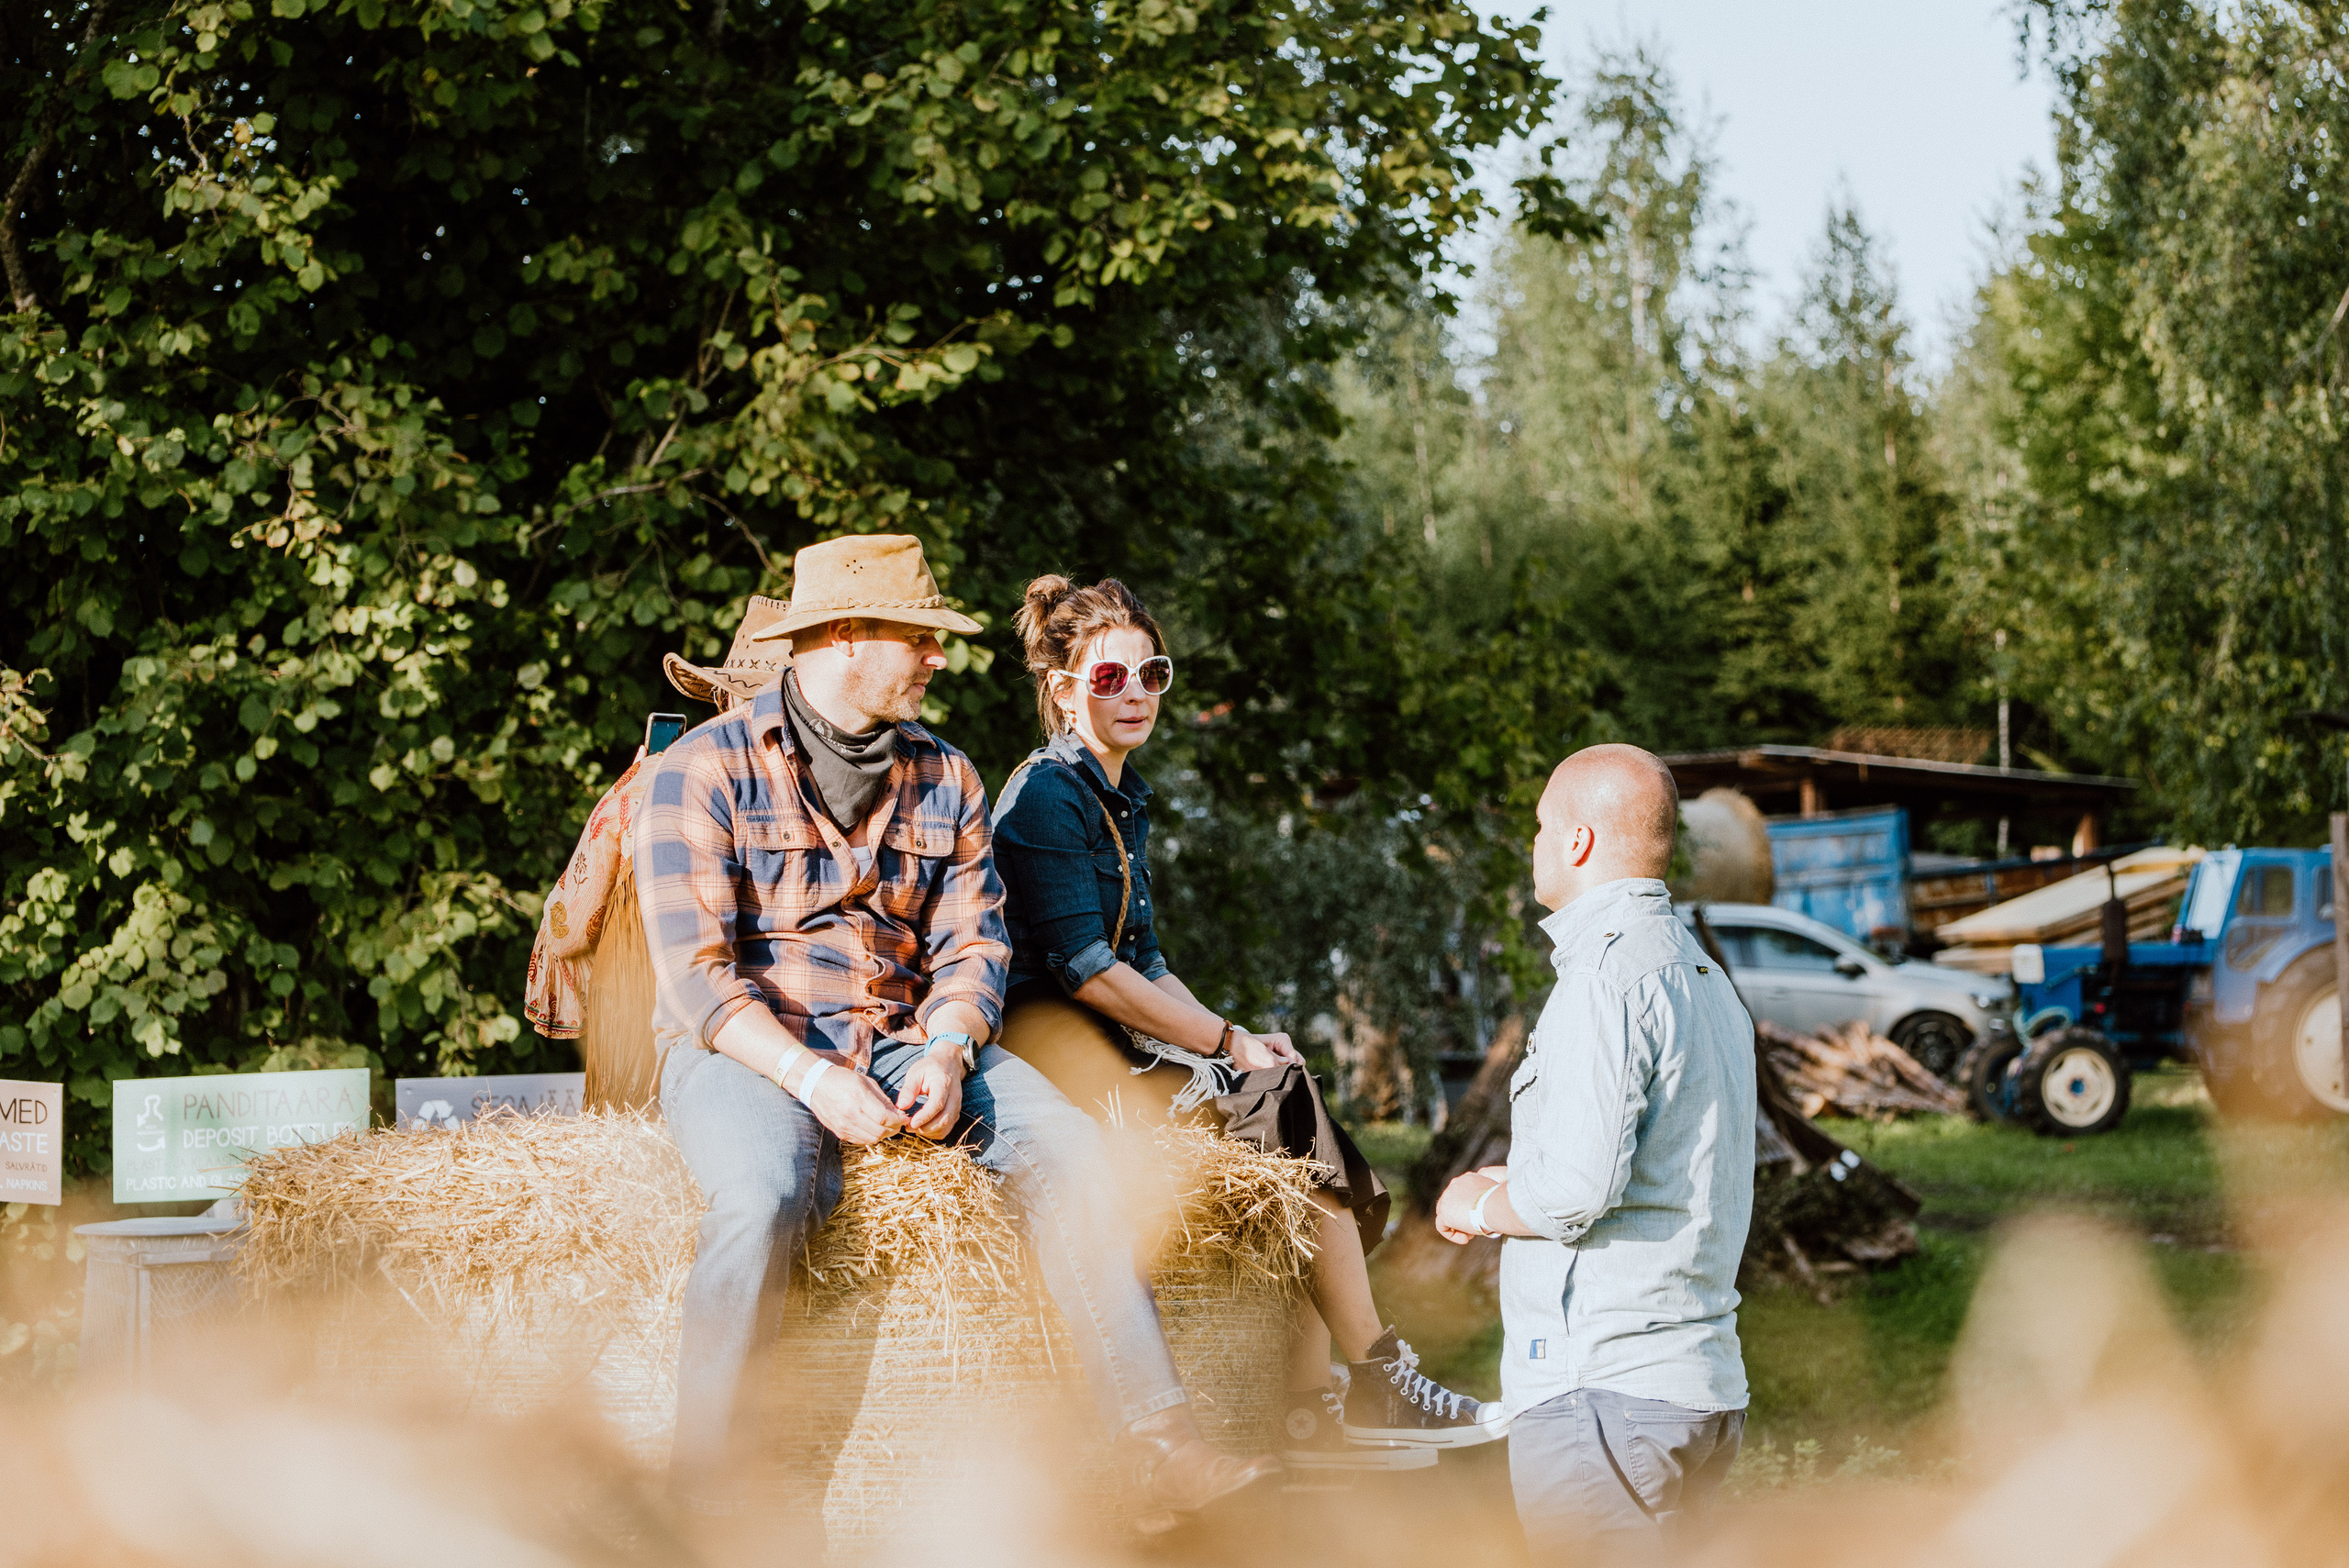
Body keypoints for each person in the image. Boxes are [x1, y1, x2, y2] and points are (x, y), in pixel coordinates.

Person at [634, 536, 1280, 1531]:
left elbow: (974, 943)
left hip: (903, 1031)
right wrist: (811, 1079)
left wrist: (945, 1045)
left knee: (1070, 1147)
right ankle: (705, 1496)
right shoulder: (701, 767)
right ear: (846, 638)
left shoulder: (945, 772)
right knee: (763, 1193)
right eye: (920, 639)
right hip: (748, 1044)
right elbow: (696, 983)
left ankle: (1157, 1451)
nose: (940, 658)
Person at [989, 573, 1508, 1470]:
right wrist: (1225, 1044)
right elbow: (1087, 972)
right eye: (1109, 679)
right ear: (1064, 688)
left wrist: (1241, 1037)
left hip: (1115, 1033)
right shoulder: (1046, 797)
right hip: (1060, 1054)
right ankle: (1374, 1378)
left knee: (1293, 1099)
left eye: (1152, 673)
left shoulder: (1118, 791)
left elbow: (1145, 958)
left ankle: (1319, 1412)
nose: (1137, 694)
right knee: (1284, 1112)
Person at [1434, 744, 1756, 1563]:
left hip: (1605, 1397)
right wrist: (1522, 1174)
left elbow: (1574, 1192)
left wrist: (1475, 1203)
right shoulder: (1704, 976)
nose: (1534, 843)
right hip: (1698, 1389)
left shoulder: (1605, 977)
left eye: (1542, 826)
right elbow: (1661, 1159)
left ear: (1577, 841)